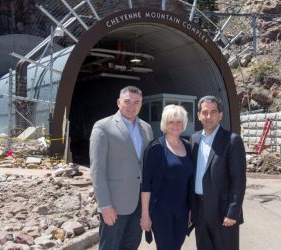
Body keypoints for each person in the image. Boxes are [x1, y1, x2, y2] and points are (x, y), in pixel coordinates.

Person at [90, 86, 153, 250]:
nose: (131, 106)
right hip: (115, 206)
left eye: (136, 102)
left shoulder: (146, 128)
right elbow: (97, 170)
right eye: (127, 101)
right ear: (118, 103)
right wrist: (104, 205)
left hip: (139, 204)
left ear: (141, 104)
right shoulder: (103, 127)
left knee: (131, 246)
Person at [190, 96, 246, 250]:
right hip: (200, 210)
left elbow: (239, 180)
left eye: (213, 112)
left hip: (223, 211)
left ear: (220, 115)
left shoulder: (232, 141)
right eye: (205, 112)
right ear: (199, 115)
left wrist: (233, 212)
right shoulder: (194, 140)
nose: (209, 116)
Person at [141, 104, 194, 250]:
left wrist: (191, 210)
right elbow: (146, 184)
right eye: (171, 121)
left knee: (176, 246)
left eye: (179, 121)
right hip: (161, 211)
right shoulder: (156, 147)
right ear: (165, 124)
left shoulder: (188, 146)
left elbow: (191, 182)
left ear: (184, 124)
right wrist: (145, 214)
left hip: (183, 211)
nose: (175, 125)